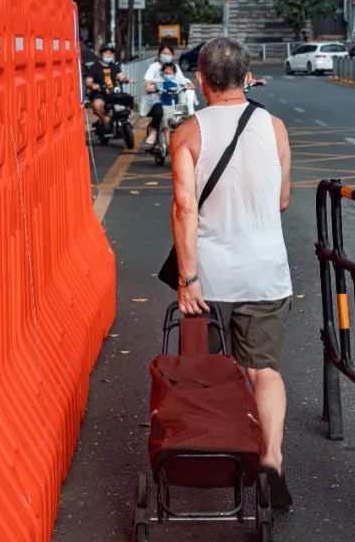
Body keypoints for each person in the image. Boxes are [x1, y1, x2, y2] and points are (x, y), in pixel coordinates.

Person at [170, 37, 294, 509]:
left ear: (200, 80)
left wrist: (188, 278)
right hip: (265, 271)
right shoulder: (275, 127)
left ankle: (212, 448)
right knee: (263, 370)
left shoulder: (187, 133)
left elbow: (184, 207)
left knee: (209, 370)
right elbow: (282, 201)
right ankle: (272, 458)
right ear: (247, 78)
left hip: (209, 277)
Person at [142, 44, 194, 146]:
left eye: (169, 53)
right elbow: (147, 81)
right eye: (164, 53)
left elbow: (181, 79)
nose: (167, 55)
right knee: (158, 111)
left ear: (173, 55)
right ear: (159, 54)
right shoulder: (154, 67)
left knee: (182, 115)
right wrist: (149, 87)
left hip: (173, 99)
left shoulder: (176, 67)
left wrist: (189, 84)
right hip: (156, 99)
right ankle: (153, 132)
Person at [84, 43, 129, 132]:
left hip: (113, 93)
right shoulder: (94, 67)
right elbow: (88, 81)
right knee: (96, 105)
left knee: (127, 100)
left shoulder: (114, 66)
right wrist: (93, 85)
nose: (108, 55)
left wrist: (126, 79)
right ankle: (105, 119)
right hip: (100, 93)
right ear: (101, 54)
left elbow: (121, 76)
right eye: (106, 53)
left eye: (110, 53)